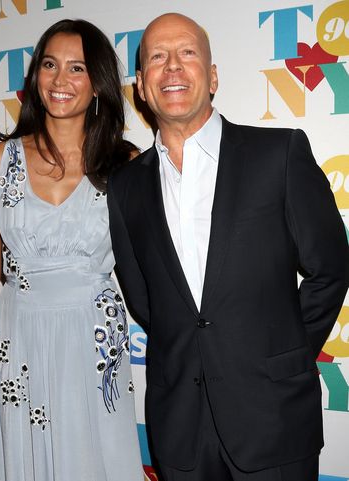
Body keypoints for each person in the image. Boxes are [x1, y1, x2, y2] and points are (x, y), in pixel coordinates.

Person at [107, 12, 349, 481]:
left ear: (213, 76)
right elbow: (143, 298)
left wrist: (288, 354)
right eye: (157, 57)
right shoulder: (125, 186)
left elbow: (331, 269)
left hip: (273, 418)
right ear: (141, 85)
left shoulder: (277, 155)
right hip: (179, 425)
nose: (172, 67)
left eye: (187, 53)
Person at [0, 19, 144, 481]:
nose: (60, 80)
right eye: (49, 65)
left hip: (94, 336)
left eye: (77, 68)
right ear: (35, 77)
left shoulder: (126, 165)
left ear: (98, 83)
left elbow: (153, 267)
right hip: (18, 334)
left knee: (96, 457)